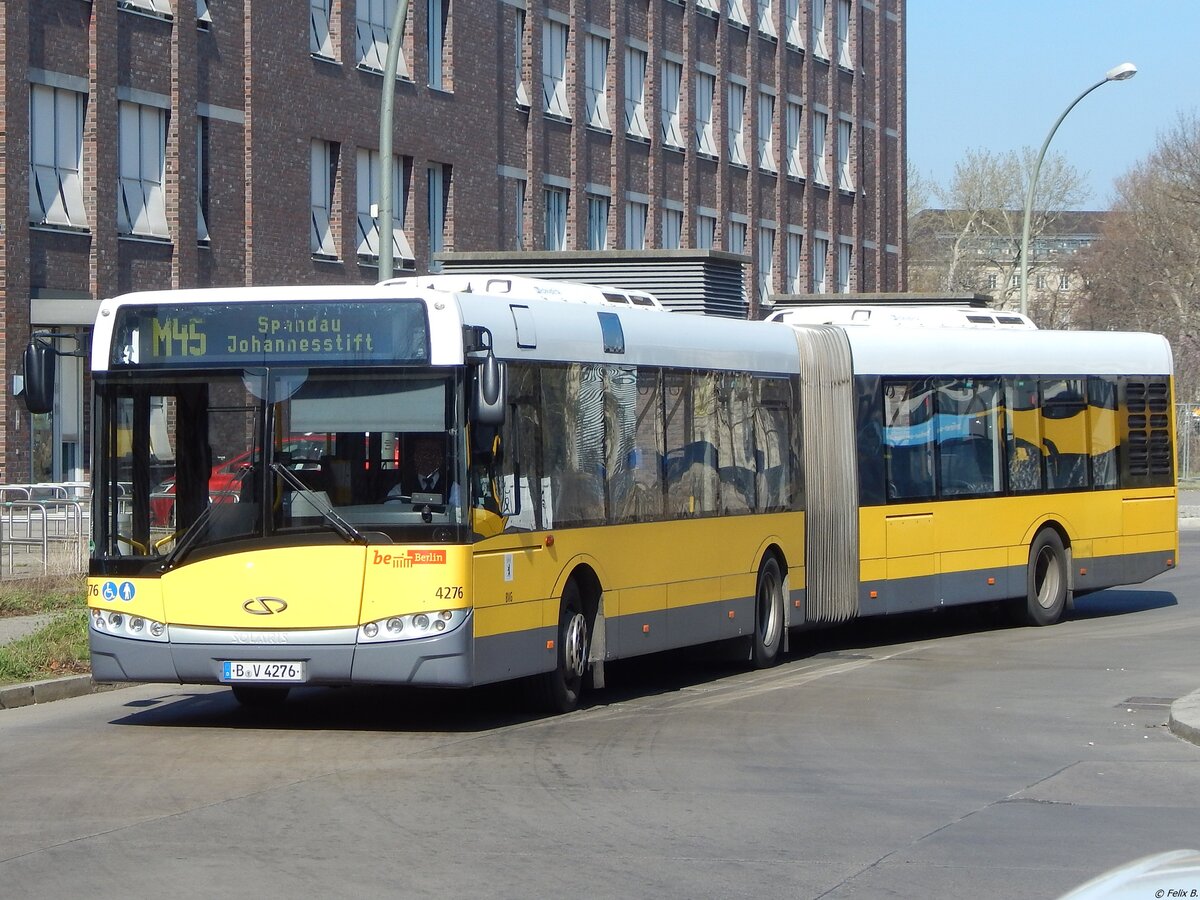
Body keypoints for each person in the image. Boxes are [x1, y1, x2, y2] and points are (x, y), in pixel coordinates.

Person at [387, 435, 459, 505]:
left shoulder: (453, 489)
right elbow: (391, 513)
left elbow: (459, 513)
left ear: (440, 458)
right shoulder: (400, 489)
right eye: (422, 451)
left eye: (432, 452)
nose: (427, 457)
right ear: (415, 457)